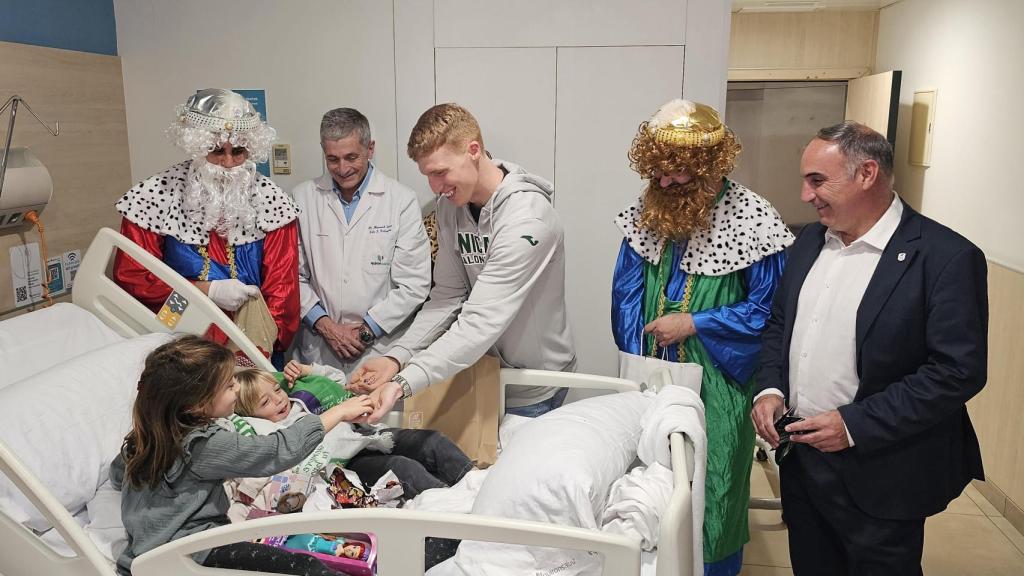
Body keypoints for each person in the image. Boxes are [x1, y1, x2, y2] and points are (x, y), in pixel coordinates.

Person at [751, 122, 988, 575]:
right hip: (802, 460)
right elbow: (780, 324)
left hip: (882, 468)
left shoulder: (944, 257)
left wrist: (853, 425)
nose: (805, 195)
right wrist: (770, 389)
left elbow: (957, 371)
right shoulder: (809, 242)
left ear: (867, 174)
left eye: (817, 180)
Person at [610, 99, 793, 575]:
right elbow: (627, 293)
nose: (664, 184)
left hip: (721, 381)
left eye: (676, 173)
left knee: (715, 482)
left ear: (708, 167)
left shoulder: (753, 219)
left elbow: (770, 311)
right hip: (653, 372)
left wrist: (695, 323)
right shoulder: (649, 208)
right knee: (652, 475)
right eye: (657, 173)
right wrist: (637, 366)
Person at [352, 103, 575, 420]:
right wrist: (396, 357)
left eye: (440, 172)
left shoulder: (528, 220)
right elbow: (447, 296)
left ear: (473, 150)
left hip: (534, 385)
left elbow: (480, 321)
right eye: (428, 175)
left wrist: (403, 383)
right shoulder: (450, 208)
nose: (435, 187)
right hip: (485, 374)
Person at [109, 335, 374, 576]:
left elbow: (117, 475)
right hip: (191, 553)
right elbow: (278, 450)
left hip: (147, 557)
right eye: (228, 385)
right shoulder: (201, 445)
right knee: (308, 567)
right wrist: (339, 412)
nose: (237, 387)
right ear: (197, 405)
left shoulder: (146, 437)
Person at [113, 89, 300, 366]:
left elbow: (282, 293)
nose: (228, 163)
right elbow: (134, 280)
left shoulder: (273, 203)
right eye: (216, 150)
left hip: (254, 347)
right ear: (197, 147)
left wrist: (252, 354)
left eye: (238, 151)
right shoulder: (154, 196)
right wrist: (204, 291)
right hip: (179, 345)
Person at [291, 108, 431, 375]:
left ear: (370, 149)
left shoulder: (400, 200)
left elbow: (414, 283)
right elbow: (292, 277)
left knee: (378, 403)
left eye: (351, 157)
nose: (343, 169)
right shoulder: (302, 198)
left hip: (379, 349)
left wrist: (366, 331)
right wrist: (326, 326)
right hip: (319, 348)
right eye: (333, 159)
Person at [233, 361, 473, 499]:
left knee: (432, 441)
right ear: (251, 414)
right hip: (345, 464)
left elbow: (337, 382)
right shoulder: (270, 433)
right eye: (265, 402)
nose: (278, 399)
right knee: (402, 468)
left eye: (277, 390)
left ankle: (477, 485)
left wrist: (309, 370)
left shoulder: (300, 398)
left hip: (368, 435)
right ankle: (453, 511)